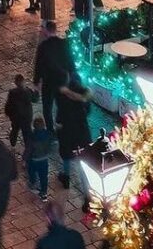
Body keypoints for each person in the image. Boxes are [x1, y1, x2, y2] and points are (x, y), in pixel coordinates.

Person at [55, 77, 93, 211]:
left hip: (68, 135)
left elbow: (59, 120)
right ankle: (87, 196)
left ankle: (66, 178)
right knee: (83, 166)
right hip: (82, 136)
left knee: (66, 157)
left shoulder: (63, 100)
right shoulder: (84, 101)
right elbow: (88, 110)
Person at [32, 20, 74, 131]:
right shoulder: (64, 43)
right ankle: (62, 123)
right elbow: (70, 62)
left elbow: (38, 65)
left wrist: (36, 82)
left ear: (46, 31)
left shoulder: (43, 46)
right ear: (55, 30)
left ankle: (50, 129)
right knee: (62, 104)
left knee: (47, 107)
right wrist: (71, 76)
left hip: (48, 82)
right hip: (62, 80)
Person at [3, 74, 38, 151]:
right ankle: (28, 148)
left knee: (15, 130)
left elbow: (9, 104)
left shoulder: (12, 93)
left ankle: (13, 142)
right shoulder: (28, 91)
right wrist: (37, 91)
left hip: (16, 118)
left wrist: (8, 113)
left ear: (15, 83)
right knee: (27, 133)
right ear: (24, 81)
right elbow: (35, 99)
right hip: (26, 117)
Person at [25, 116, 55, 200]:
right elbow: (52, 143)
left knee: (31, 171)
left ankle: (33, 183)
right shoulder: (48, 134)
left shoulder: (32, 136)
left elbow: (28, 149)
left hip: (34, 159)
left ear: (34, 126)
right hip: (44, 159)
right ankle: (44, 193)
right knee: (44, 176)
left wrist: (25, 158)